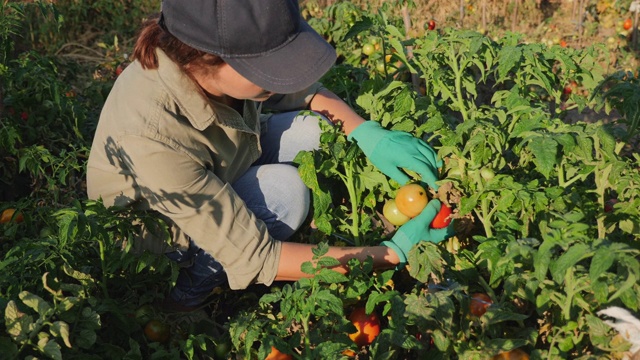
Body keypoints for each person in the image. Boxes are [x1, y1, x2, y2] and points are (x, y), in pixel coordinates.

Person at [86, 0, 453, 310]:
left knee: (318, 130)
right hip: (166, 238)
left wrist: (364, 132)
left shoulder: (209, 67)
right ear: (205, 57)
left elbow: (298, 91)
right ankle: (186, 296)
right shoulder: (152, 135)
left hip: (223, 162)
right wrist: (390, 253)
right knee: (286, 192)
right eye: (269, 68)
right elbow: (260, 256)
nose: (281, 77)